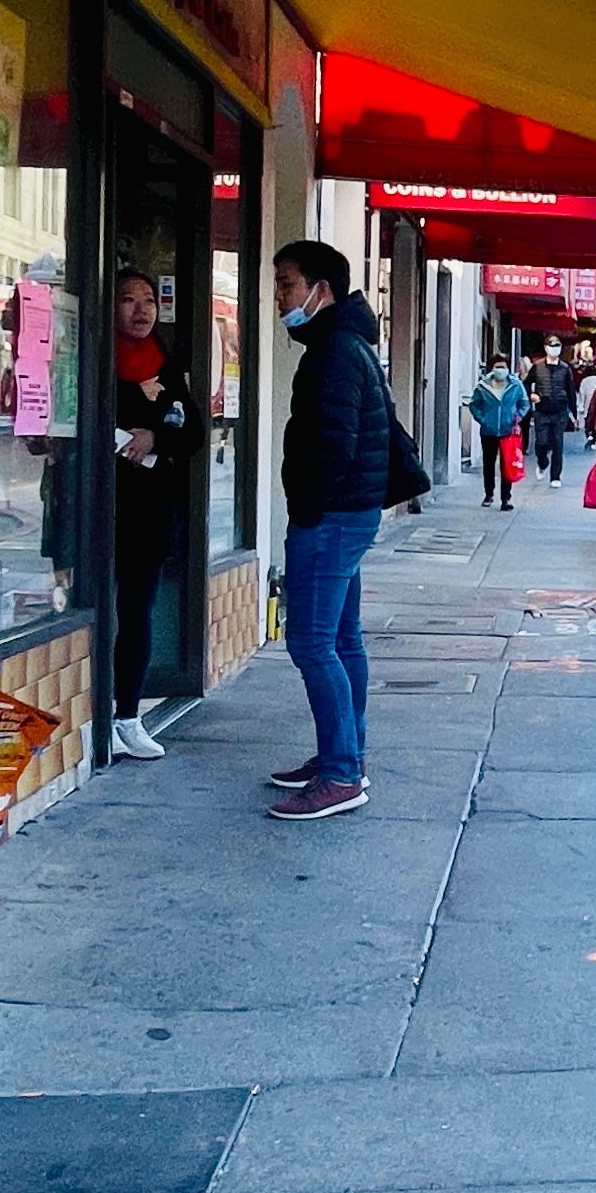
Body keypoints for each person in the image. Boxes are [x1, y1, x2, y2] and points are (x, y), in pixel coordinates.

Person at [269, 239, 389, 820]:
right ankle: (343, 757)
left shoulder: (335, 350)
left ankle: (341, 773)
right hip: (348, 513)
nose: (279, 297)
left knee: (312, 643)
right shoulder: (345, 343)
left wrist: (309, 509)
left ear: (323, 289)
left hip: (332, 517)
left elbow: (333, 443)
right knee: (342, 640)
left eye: (287, 284)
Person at [107, 267, 193, 761]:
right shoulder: (90, 356)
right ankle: (93, 709)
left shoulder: (166, 366)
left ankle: (128, 717)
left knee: (136, 613)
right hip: (94, 504)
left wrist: (154, 437)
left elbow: (194, 433)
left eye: (148, 301)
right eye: (127, 300)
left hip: (148, 509)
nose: (140, 310)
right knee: (86, 606)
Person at [467, 352, 526, 511]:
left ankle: (506, 498)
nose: (500, 370)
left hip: (508, 431)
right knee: (489, 464)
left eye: (503, 367)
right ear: (492, 368)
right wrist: (483, 419)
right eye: (497, 367)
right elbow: (474, 405)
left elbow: (524, 403)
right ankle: (489, 494)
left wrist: (516, 418)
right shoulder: (483, 386)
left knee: (506, 465)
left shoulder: (515, 385)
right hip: (489, 431)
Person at [523, 338, 577, 486]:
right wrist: (531, 395)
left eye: (558, 346)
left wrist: (574, 414)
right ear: (546, 348)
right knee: (541, 442)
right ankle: (542, 462)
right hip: (542, 411)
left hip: (560, 411)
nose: (555, 349)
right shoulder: (538, 366)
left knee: (558, 444)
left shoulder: (565, 368)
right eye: (552, 346)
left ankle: (555, 477)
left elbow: (571, 391)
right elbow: (526, 384)